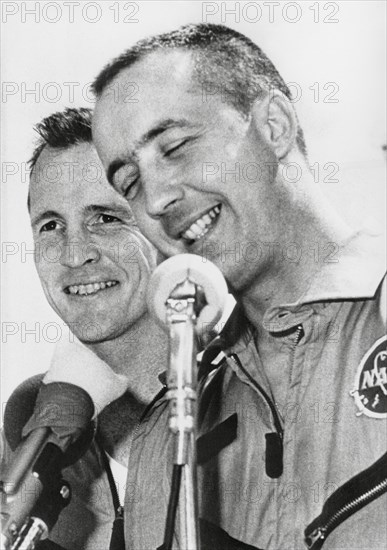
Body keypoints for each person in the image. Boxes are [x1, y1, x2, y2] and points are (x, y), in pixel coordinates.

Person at [91, 24, 387, 550]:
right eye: (130, 184)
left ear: (273, 125)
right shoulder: (165, 442)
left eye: (176, 146)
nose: (156, 199)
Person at [1, 107, 168, 550]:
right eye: (51, 225)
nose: (75, 254)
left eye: (106, 218)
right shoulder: (30, 416)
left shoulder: (246, 398)